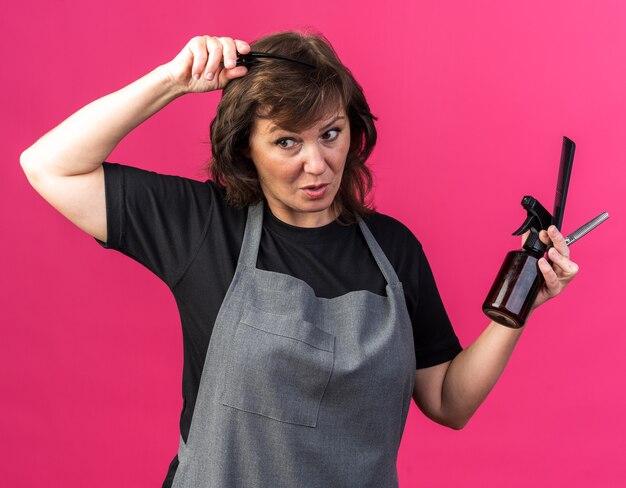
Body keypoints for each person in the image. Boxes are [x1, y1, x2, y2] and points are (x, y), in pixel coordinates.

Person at [20, 32, 579, 488]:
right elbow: (50, 165)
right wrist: (173, 80)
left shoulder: (394, 250)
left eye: (330, 134)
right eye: (287, 141)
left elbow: (446, 400)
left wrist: (521, 300)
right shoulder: (204, 225)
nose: (318, 164)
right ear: (246, 147)